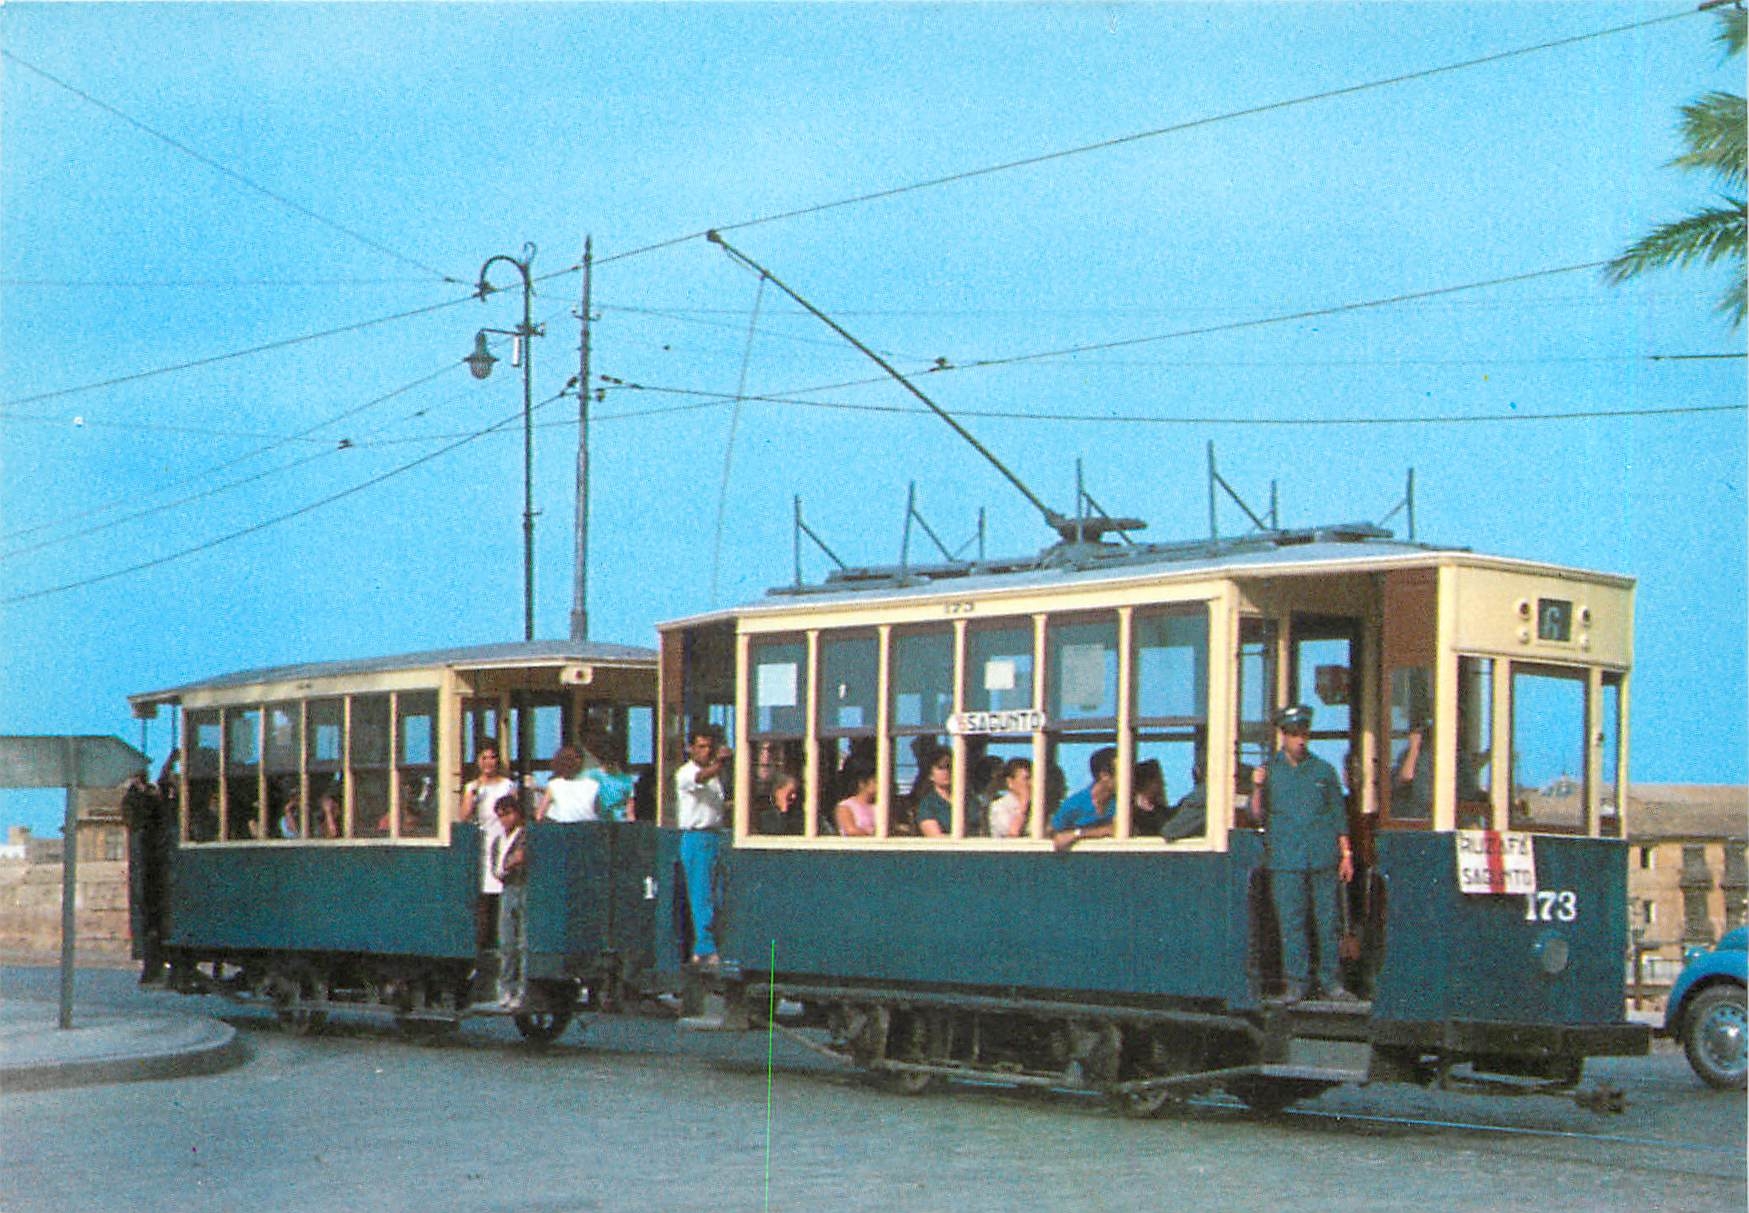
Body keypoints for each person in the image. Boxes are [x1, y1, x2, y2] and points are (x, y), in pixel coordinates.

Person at [1250, 704, 1357, 1004]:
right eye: (1294, 734)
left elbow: (1338, 814)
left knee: (1327, 921)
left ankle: (1331, 982)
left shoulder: (1323, 771)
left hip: (1322, 857)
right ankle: (1296, 983)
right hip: (1285, 860)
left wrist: (1346, 854)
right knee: (1291, 923)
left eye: (1304, 734)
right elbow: (1257, 814)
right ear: (1283, 735)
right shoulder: (1270, 772)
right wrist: (1257, 787)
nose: (1300, 740)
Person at [458, 743, 519, 984]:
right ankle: (481, 952)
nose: (489, 762)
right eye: (484, 758)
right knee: (483, 900)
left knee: (502, 895)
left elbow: (514, 812)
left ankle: (502, 948)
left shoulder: (507, 785)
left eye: (493, 757)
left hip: (503, 841)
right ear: (478, 761)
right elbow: (462, 817)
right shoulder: (472, 787)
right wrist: (472, 798)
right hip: (482, 845)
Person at [674, 727, 729, 965]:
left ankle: (712, 943)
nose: (706, 752)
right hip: (696, 837)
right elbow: (699, 779)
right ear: (691, 749)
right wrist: (720, 763)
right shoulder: (685, 773)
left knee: (717, 894)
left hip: (715, 835)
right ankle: (704, 948)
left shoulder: (715, 777)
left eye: (710, 747)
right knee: (701, 894)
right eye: (702, 747)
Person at [122, 768, 172, 983]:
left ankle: (154, 966)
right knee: (151, 913)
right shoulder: (135, 799)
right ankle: (152, 967)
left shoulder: (144, 796)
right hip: (150, 858)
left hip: (154, 857)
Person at [490, 796, 529, 1010]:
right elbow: (497, 868)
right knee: (506, 943)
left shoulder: (525, 835)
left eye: (509, 813)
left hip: (523, 888)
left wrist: (509, 864)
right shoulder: (499, 841)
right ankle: (506, 989)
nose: (505, 819)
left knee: (523, 943)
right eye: (501, 815)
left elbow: (522, 858)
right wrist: (508, 864)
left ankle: (522, 991)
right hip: (507, 889)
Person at [1051, 746, 1118, 852]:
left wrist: (1077, 834)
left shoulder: (1124, 803)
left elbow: (1115, 829)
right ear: (1104, 775)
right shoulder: (1075, 803)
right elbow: (1053, 833)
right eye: (1121, 773)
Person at [537, 745, 599, 823]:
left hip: (565, 831)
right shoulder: (594, 785)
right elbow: (600, 812)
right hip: (590, 830)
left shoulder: (554, 785)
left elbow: (539, 816)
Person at [584, 735, 637, 822]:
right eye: (606, 759)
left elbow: (630, 810)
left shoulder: (627, 780)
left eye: (612, 760)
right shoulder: (591, 776)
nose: (609, 764)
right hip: (598, 824)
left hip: (620, 824)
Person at [986, 757, 1032, 838]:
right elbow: (1013, 833)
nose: (1031, 783)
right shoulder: (999, 807)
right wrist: (1023, 805)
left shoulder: (1038, 807)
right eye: (1026, 779)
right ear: (1010, 782)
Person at [915, 748, 955, 837]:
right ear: (930, 775)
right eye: (940, 768)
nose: (946, 772)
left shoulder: (968, 800)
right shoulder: (927, 805)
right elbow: (937, 839)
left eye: (949, 767)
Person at [834, 766, 878, 837]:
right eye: (875, 782)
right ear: (862, 784)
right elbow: (850, 830)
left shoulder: (879, 806)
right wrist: (873, 833)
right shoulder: (846, 806)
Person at [757, 771, 804, 835]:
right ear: (778, 792)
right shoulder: (765, 817)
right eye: (790, 792)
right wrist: (783, 809)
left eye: (795, 792)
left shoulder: (799, 817)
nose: (794, 796)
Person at [1131, 759, 1169, 835]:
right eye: (1158, 780)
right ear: (1148, 782)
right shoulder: (1131, 815)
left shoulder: (1162, 812)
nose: (1163, 784)